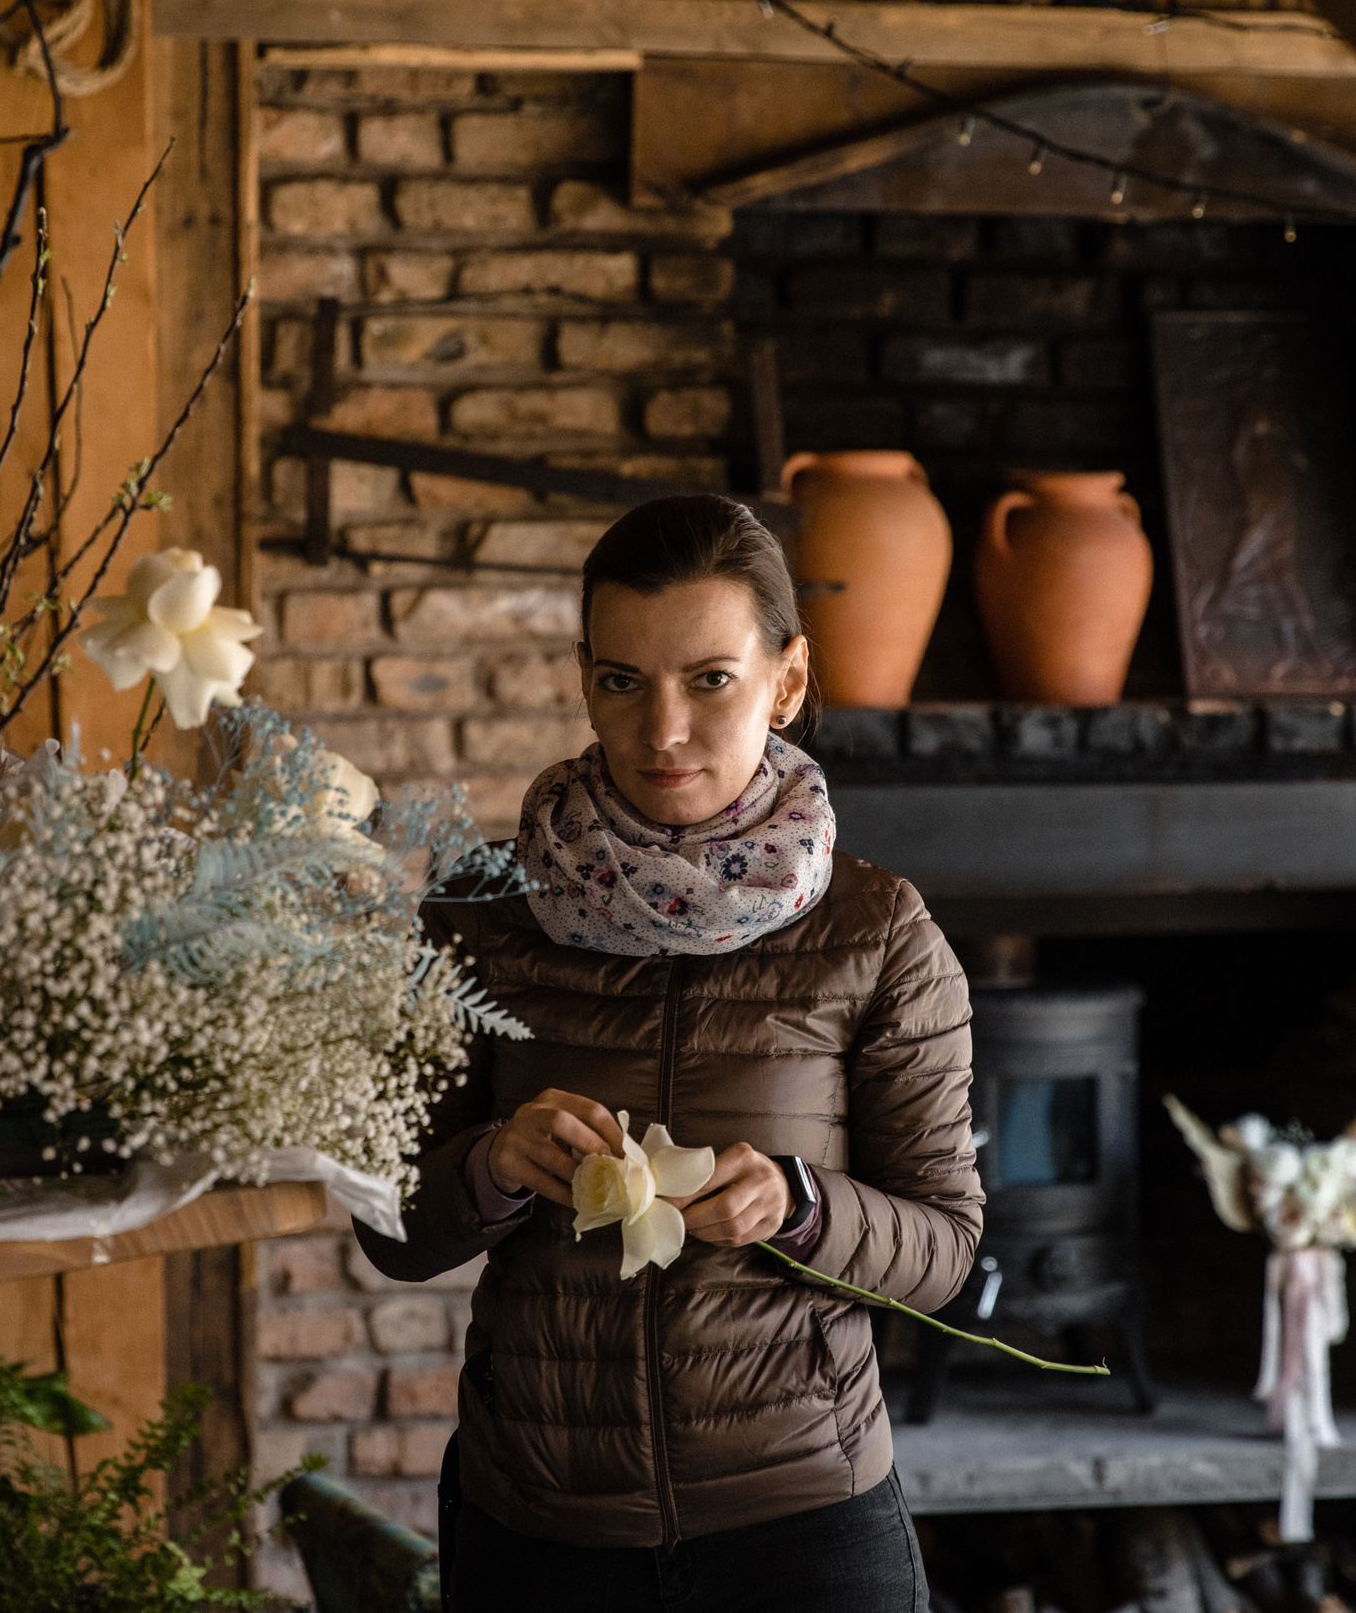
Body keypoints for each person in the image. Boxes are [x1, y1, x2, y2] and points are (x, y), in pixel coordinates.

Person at [358, 493, 983, 1612]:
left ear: (786, 680)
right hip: (538, 1530)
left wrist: (800, 1206)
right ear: (582, 677)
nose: (663, 732)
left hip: (805, 1527)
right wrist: (494, 1165)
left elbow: (946, 1250)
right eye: (622, 681)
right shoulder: (482, 913)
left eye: (710, 679)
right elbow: (388, 1229)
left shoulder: (878, 931)